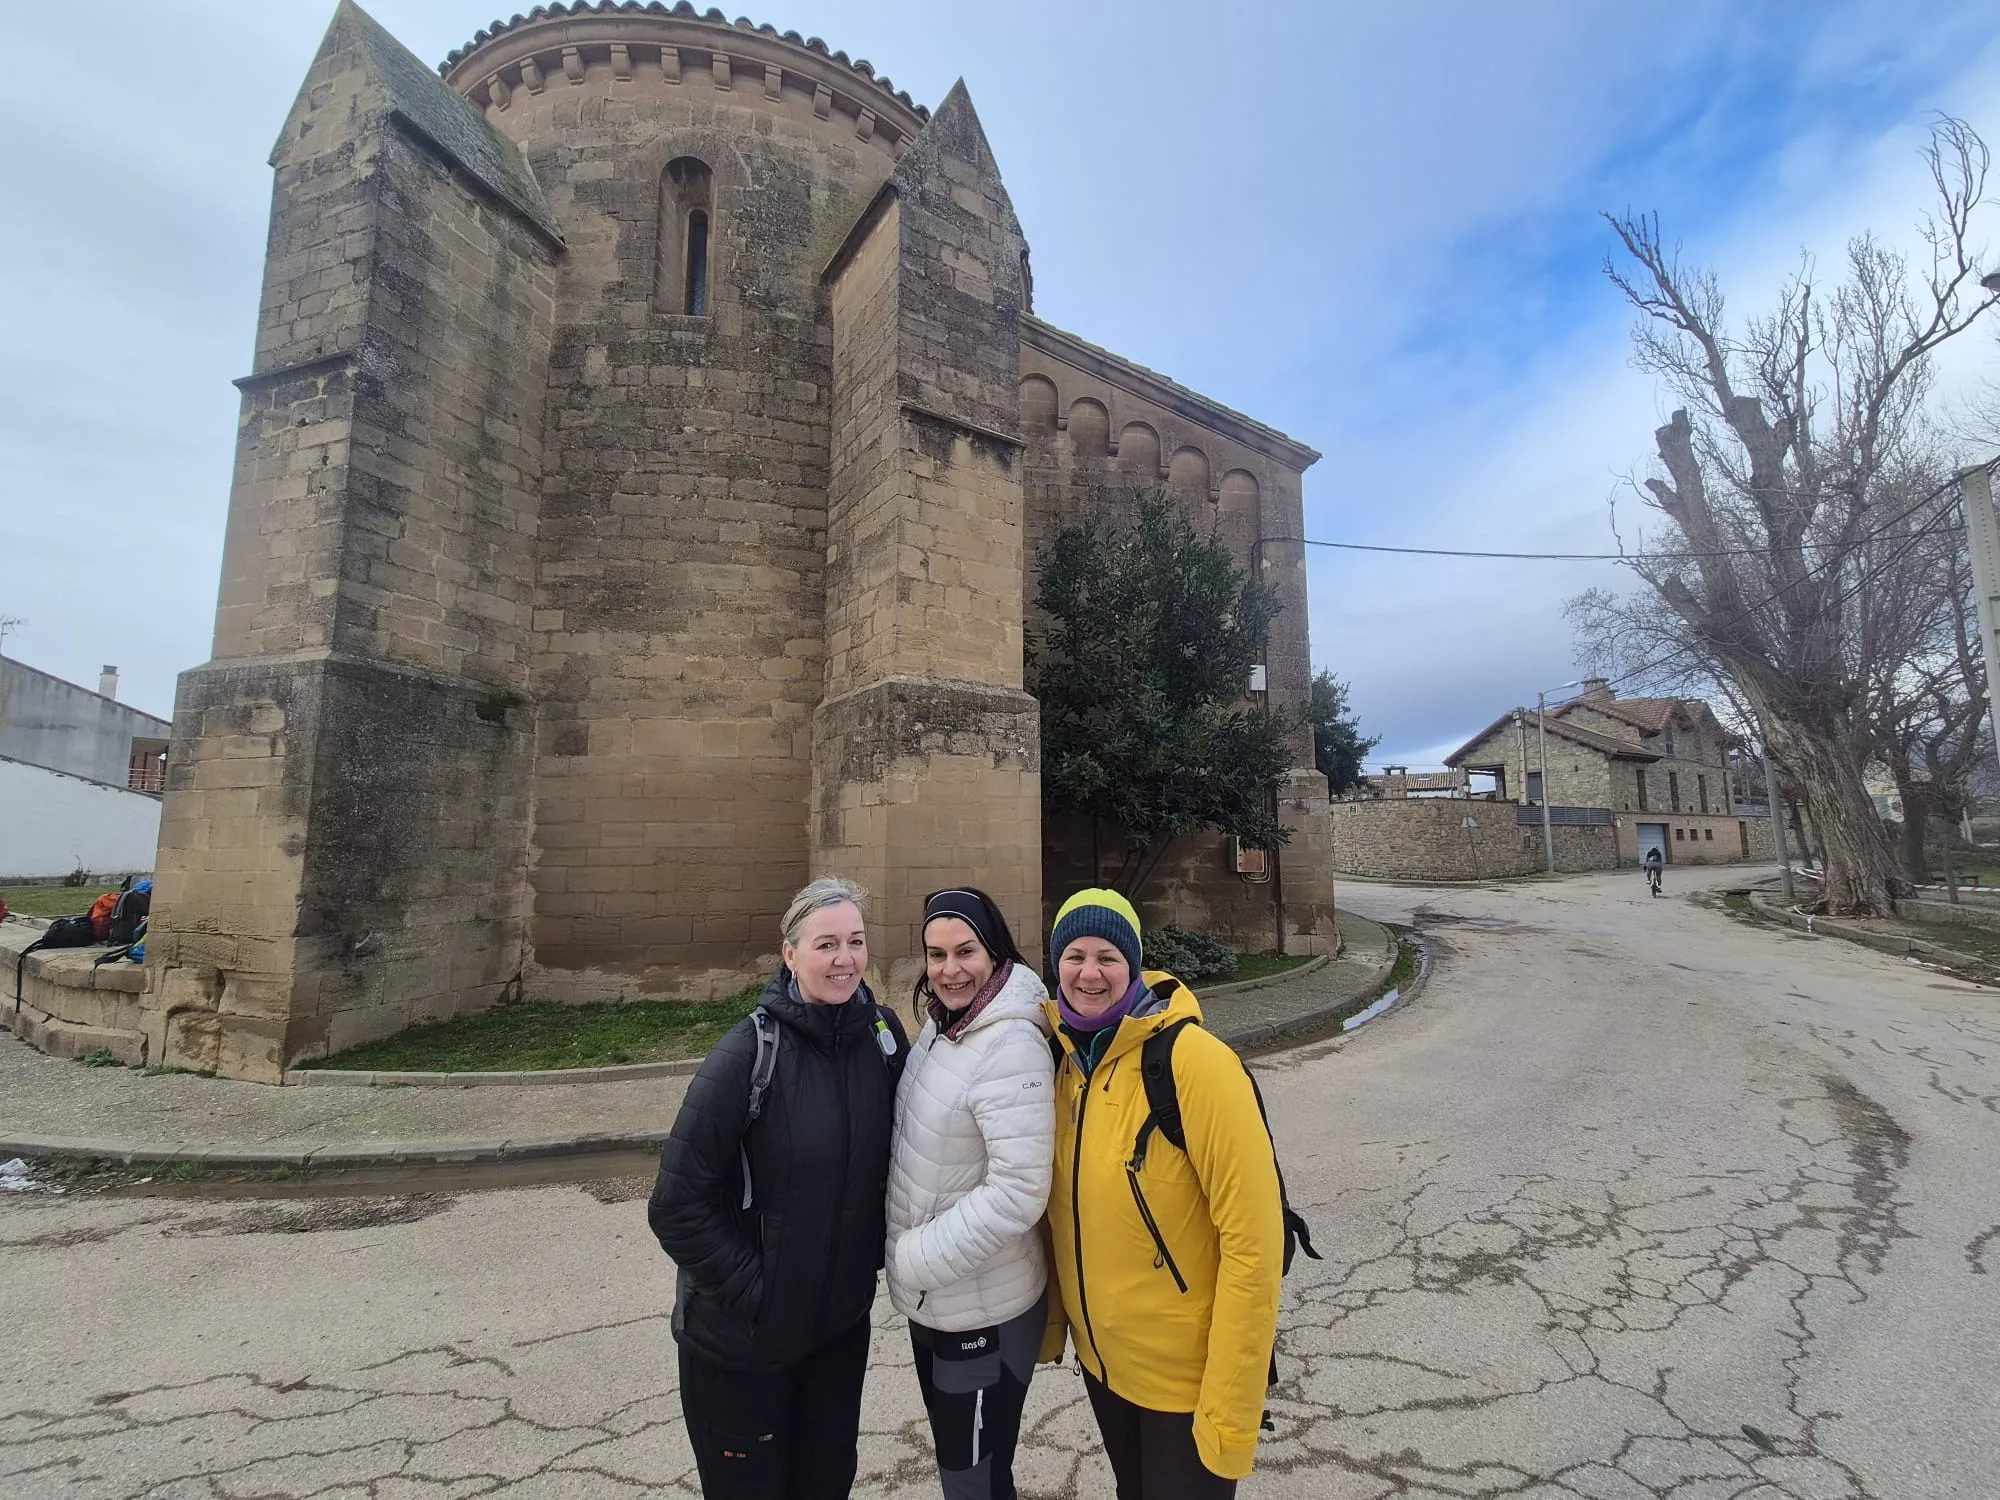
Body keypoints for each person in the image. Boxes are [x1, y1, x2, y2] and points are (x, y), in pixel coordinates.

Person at [649, 876, 908, 1500]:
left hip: (837, 1336)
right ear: (790, 954)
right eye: (825, 945)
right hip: (743, 1347)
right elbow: (677, 1205)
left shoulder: (884, 1038)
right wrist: (757, 1289)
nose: (844, 959)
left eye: (855, 941)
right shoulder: (745, 1056)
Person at [1040, 889, 1283, 1500]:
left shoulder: (1195, 1063)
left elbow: (1253, 1247)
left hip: (1186, 1380)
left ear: (1135, 966)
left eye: (1107, 957)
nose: (1089, 973)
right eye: (1074, 955)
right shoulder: (1067, 1063)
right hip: (1104, 1365)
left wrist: (1231, 1404)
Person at [885, 888, 1055, 1500]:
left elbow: (1019, 1190)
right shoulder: (945, 1025)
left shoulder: (1010, 1043)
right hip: (938, 1301)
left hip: (983, 1307)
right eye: (936, 954)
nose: (950, 969)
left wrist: (913, 1258)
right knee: (969, 1472)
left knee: (972, 1482)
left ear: (995, 951)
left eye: (966, 952)